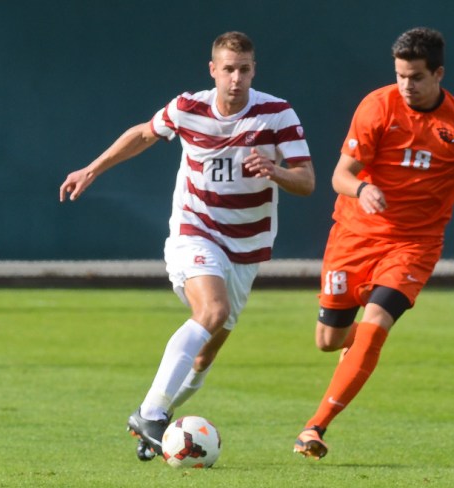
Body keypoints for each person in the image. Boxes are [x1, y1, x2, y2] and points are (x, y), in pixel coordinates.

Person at [59, 31, 315, 461]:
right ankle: (153, 411)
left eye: (245, 69)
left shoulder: (277, 114)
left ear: (255, 70)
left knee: (205, 354)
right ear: (213, 70)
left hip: (247, 248)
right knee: (211, 311)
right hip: (195, 232)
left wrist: (274, 170)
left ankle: (152, 422)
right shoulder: (187, 107)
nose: (236, 78)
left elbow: (306, 181)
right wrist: (93, 168)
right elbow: (144, 133)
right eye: (228, 69)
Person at [293, 27, 454, 459]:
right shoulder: (377, 107)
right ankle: (357, 350)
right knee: (329, 341)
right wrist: (361, 190)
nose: (406, 86)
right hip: (354, 237)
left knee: (375, 327)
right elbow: (341, 175)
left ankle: (314, 428)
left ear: (439, 74)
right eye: (400, 76)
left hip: (414, 245)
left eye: (415, 77)